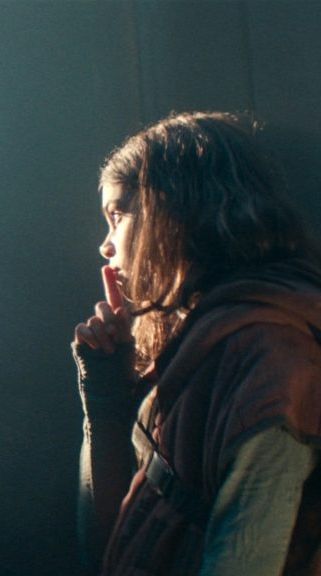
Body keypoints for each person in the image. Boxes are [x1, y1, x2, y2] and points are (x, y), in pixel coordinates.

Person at [72, 111, 321, 575]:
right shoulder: (202, 344)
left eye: (118, 214)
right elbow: (107, 548)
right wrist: (105, 401)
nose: (105, 246)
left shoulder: (270, 357)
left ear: (172, 212)